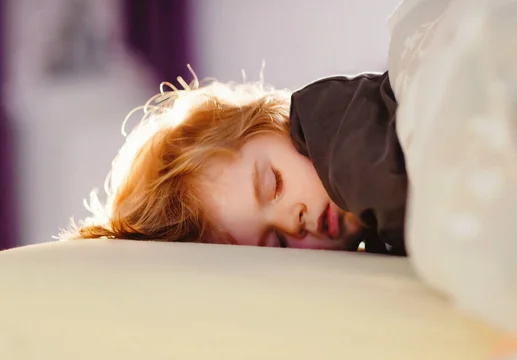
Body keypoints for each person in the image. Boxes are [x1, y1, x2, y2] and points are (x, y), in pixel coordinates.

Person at [64, 67, 408, 254]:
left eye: (274, 183)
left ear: (272, 124)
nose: (295, 221)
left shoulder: (340, 122)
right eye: (278, 243)